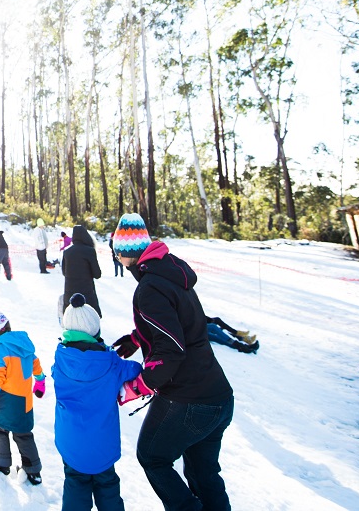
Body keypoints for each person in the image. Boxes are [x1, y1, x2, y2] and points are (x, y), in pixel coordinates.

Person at [111, 213, 234, 511]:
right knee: (202, 473)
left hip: (188, 399)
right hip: (217, 397)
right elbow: (183, 323)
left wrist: (137, 386)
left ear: (126, 254)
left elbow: (171, 350)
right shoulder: (171, 273)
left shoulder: (150, 287)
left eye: (116, 251)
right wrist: (137, 338)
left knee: (153, 457)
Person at [52, 293, 142, 511]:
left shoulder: (61, 359)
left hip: (71, 441)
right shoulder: (112, 365)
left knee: (75, 484)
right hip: (102, 444)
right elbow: (135, 370)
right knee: (107, 485)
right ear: (96, 331)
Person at [0, 303, 46, 486]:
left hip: (7, 401)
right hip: (25, 402)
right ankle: (33, 471)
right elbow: (36, 364)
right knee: (24, 434)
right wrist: (40, 381)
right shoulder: (24, 347)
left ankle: (0, 462)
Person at [62, 225, 102, 316]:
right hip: (87, 295)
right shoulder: (90, 251)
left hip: (70, 296)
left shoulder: (66, 252)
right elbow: (97, 274)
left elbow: (64, 272)